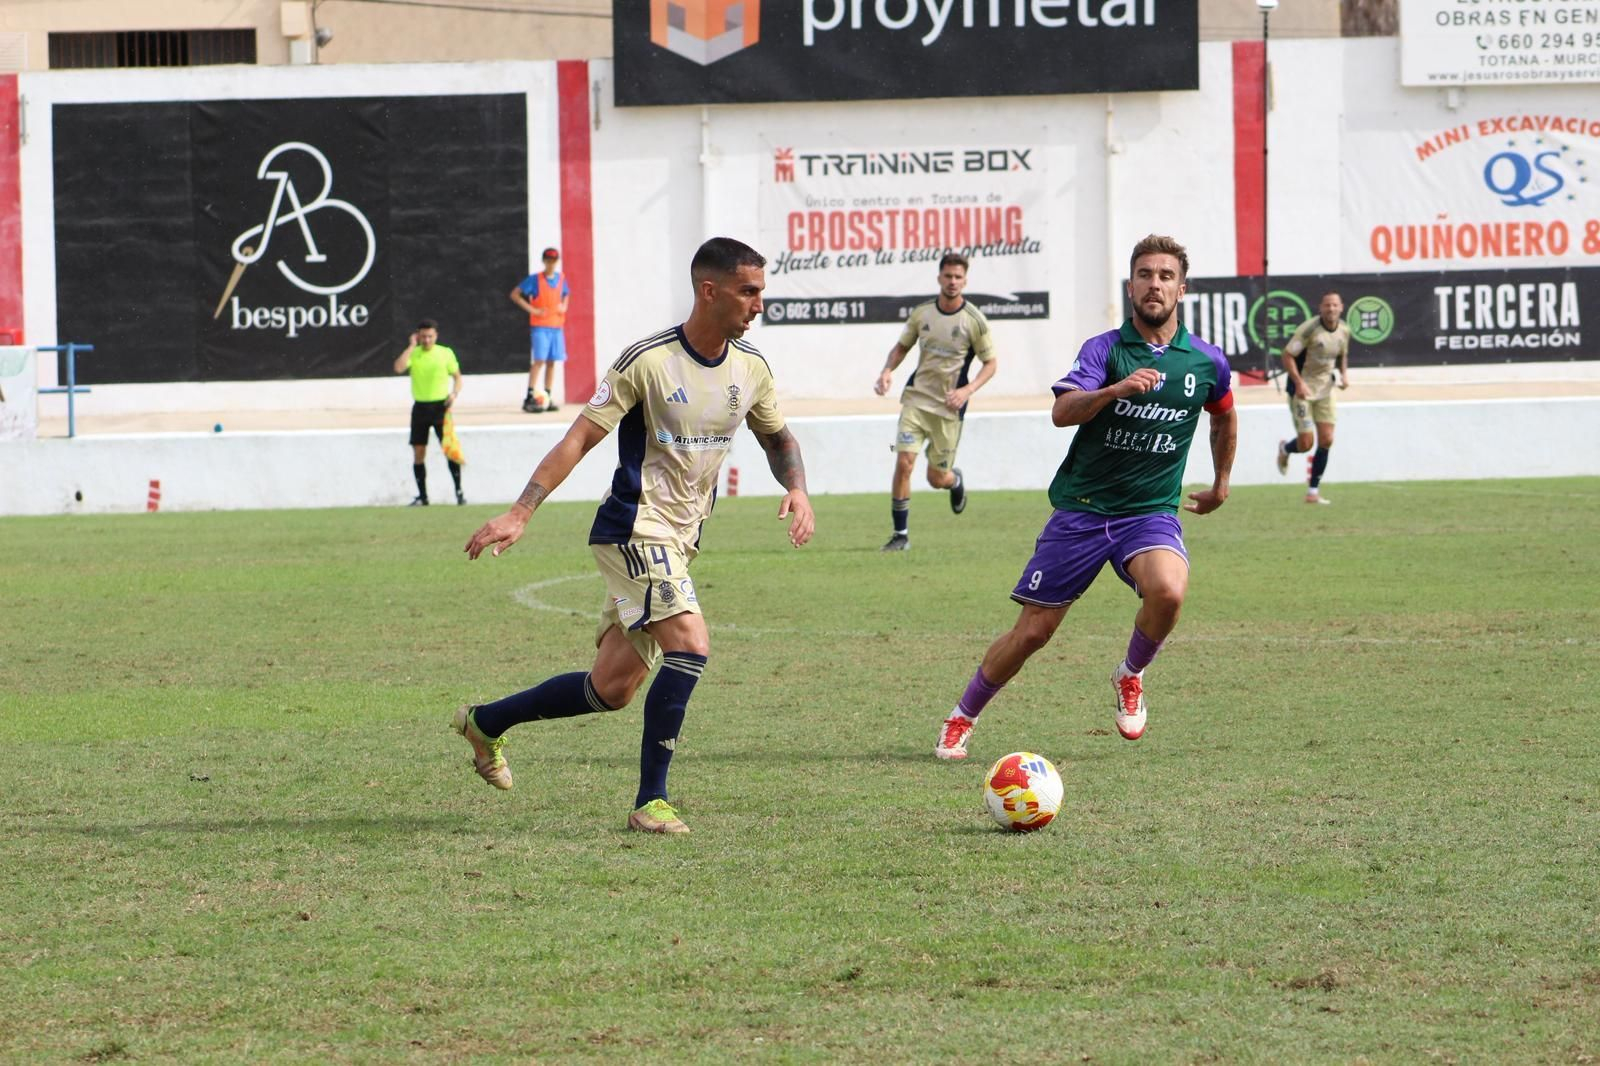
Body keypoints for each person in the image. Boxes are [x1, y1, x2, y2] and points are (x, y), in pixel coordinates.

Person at [455, 237, 815, 835]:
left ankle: (485, 722)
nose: (759, 304)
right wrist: (521, 511)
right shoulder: (646, 361)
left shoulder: (752, 367)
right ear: (710, 290)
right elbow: (577, 438)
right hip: (633, 527)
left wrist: (797, 488)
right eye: (749, 291)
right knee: (691, 645)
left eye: (761, 292)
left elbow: (779, 441)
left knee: (612, 689)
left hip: (680, 538)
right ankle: (651, 801)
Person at [933, 235, 1237, 760]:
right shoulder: (1106, 350)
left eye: (1165, 276)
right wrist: (1114, 391)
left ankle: (1131, 672)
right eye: (1144, 274)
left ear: (1181, 289)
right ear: (1131, 285)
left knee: (1169, 589)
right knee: (1032, 634)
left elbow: (1225, 415)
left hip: (1149, 514)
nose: (1154, 284)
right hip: (1083, 511)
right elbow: (1063, 411)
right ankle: (962, 716)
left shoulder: (1206, 361)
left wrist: (1221, 483)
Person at [872, 252, 998, 551]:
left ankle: (954, 481)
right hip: (916, 401)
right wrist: (887, 370)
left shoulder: (974, 321)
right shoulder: (922, 314)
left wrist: (967, 391)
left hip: (948, 408)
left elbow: (991, 364)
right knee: (904, 462)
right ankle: (900, 535)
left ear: (964, 280)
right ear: (939, 277)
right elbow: (902, 347)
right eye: (948, 276)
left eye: (958, 277)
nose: (952, 281)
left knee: (935, 477)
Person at [1274, 291, 1349, 505]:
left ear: (1341, 307)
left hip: (1326, 390)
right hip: (1303, 391)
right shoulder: (1309, 330)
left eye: (1335, 305)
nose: (1331, 309)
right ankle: (1285, 449)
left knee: (1327, 439)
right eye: (1327, 305)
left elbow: (1343, 354)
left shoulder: (1344, 330)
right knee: (1306, 443)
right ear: (1321, 308)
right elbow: (1287, 354)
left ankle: (1313, 491)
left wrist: (1344, 375)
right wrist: (1298, 383)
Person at [393, 318, 464, 506]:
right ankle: (423, 496)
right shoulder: (414, 354)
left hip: (441, 407)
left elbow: (458, 378)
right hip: (420, 408)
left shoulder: (445, 353)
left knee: (449, 450)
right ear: (418, 336)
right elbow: (398, 367)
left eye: (430, 336)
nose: (426, 340)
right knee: (418, 452)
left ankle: (459, 493)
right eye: (423, 336)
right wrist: (410, 346)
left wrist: (454, 394)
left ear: (436, 336)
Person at [510, 247, 571, 413]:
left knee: (552, 362)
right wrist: (533, 310)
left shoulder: (561, 279)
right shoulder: (535, 279)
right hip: (541, 326)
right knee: (539, 361)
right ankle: (530, 395)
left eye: (554, 260)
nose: (551, 264)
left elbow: (566, 294)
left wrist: (564, 306)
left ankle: (547, 395)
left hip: (556, 326)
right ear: (544, 261)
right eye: (548, 260)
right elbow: (515, 294)